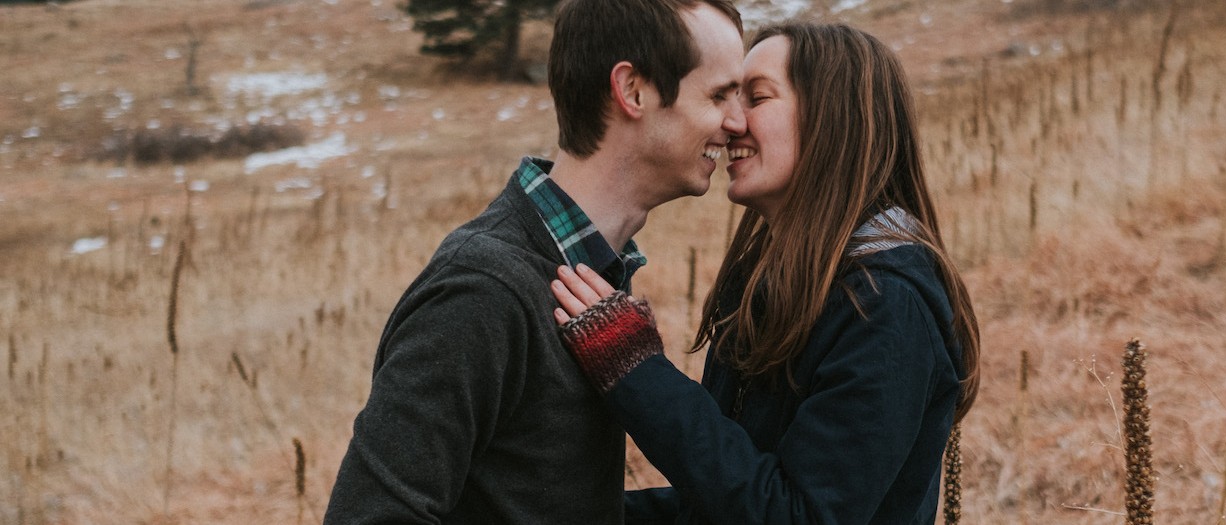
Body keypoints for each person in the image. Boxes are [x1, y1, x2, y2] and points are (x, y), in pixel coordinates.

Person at [323, 0, 745, 522]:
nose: (737, 121)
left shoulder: (590, 274)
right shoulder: (483, 291)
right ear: (633, 90)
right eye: (719, 94)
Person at [549, 22, 982, 524]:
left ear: (832, 118)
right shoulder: (771, 279)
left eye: (756, 97)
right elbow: (724, 501)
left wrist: (638, 372)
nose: (730, 122)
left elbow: (797, 514)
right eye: (729, 97)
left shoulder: (886, 304)